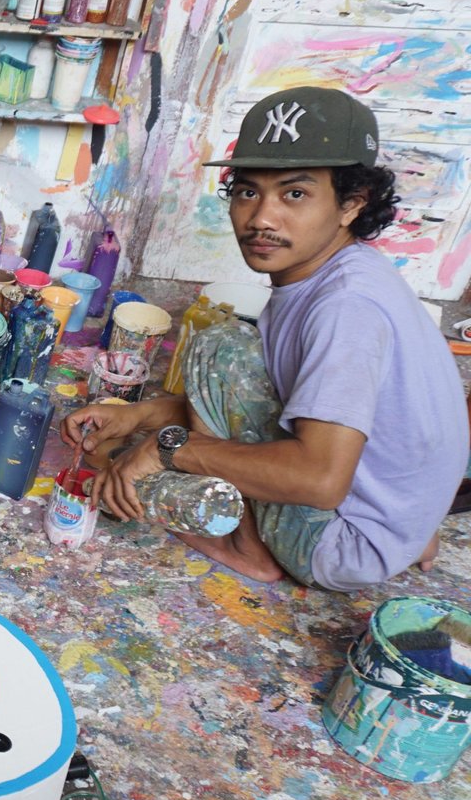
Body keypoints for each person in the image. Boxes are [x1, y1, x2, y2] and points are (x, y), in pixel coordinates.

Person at [63, 86, 468, 590]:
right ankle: (392, 534)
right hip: (396, 522)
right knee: (229, 354)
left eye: (295, 194)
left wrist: (166, 448)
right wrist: (139, 417)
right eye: (248, 192)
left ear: (351, 204)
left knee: (210, 361)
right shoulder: (341, 273)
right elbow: (269, 399)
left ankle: (248, 547)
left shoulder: (346, 308)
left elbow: (319, 480)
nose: (261, 219)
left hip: (337, 542)